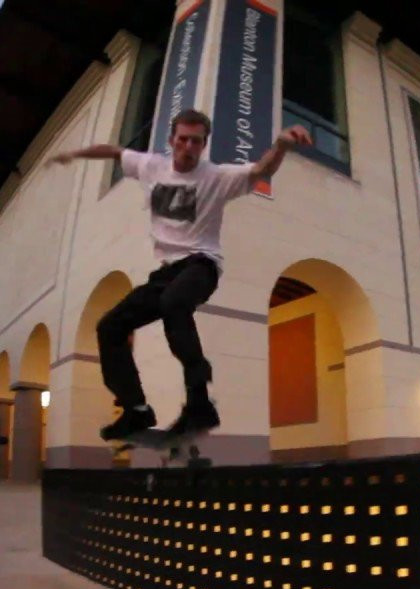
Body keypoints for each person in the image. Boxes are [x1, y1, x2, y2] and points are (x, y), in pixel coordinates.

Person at [47, 108, 313, 441]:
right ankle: (136, 410)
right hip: (164, 273)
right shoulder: (150, 166)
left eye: (196, 142)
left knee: (175, 303)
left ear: (204, 145)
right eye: (182, 139)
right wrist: (73, 154)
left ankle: (199, 402)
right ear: (172, 140)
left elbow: (261, 169)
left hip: (201, 265)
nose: (188, 147)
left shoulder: (217, 177)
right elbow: (114, 152)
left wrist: (282, 146)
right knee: (110, 326)